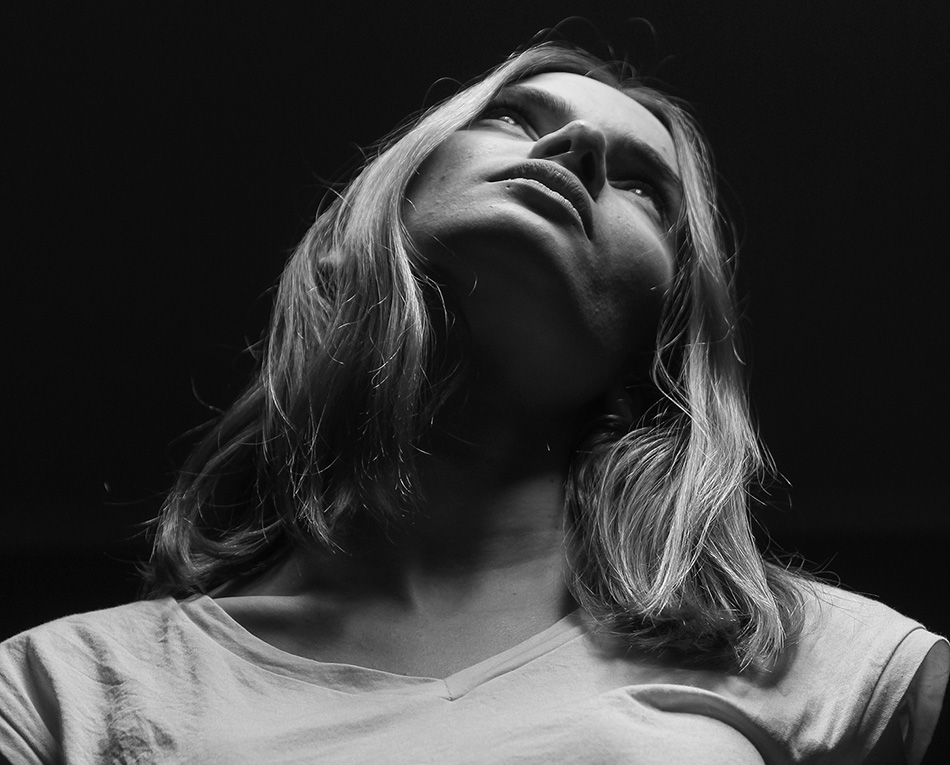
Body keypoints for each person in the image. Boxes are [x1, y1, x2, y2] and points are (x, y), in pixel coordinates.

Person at [0, 41, 946, 764]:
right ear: (366, 222)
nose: (576, 148)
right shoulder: (58, 691)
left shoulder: (829, 662)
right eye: (514, 118)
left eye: (643, 186)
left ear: (660, 342)